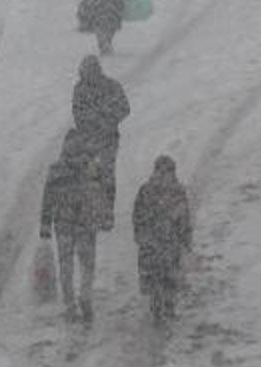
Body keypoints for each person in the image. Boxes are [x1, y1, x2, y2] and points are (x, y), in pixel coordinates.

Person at [40, 130, 106, 323]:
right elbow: (100, 195)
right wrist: (103, 218)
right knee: (87, 265)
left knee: (66, 267)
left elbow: (48, 198)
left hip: (63, 224)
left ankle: (70, 306)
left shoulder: (56, 169)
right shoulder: (92, 167)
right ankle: (85, 295)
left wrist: (45, 224)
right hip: (86, 223)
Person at [72, 55, 130, 230]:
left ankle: (106, 215)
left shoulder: (111, 86)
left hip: (108, 139)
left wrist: (107, 119)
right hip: (88, 141)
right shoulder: (80, 89)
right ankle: (92, 214)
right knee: (90, 177)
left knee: (107, 177)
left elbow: (125, 108)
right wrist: (90, 121)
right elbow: (77, 113)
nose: (86, 75)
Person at [132, 155, 192, 324]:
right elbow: (137, 215)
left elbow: (184, 217)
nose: (166, 175)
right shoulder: (155, 191)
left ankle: (165, 305)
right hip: (159, 242)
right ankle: (161, 306)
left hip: (161, 242)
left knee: (164, 276)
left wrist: (185, 238)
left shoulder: (152, 190)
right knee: (160, 276)